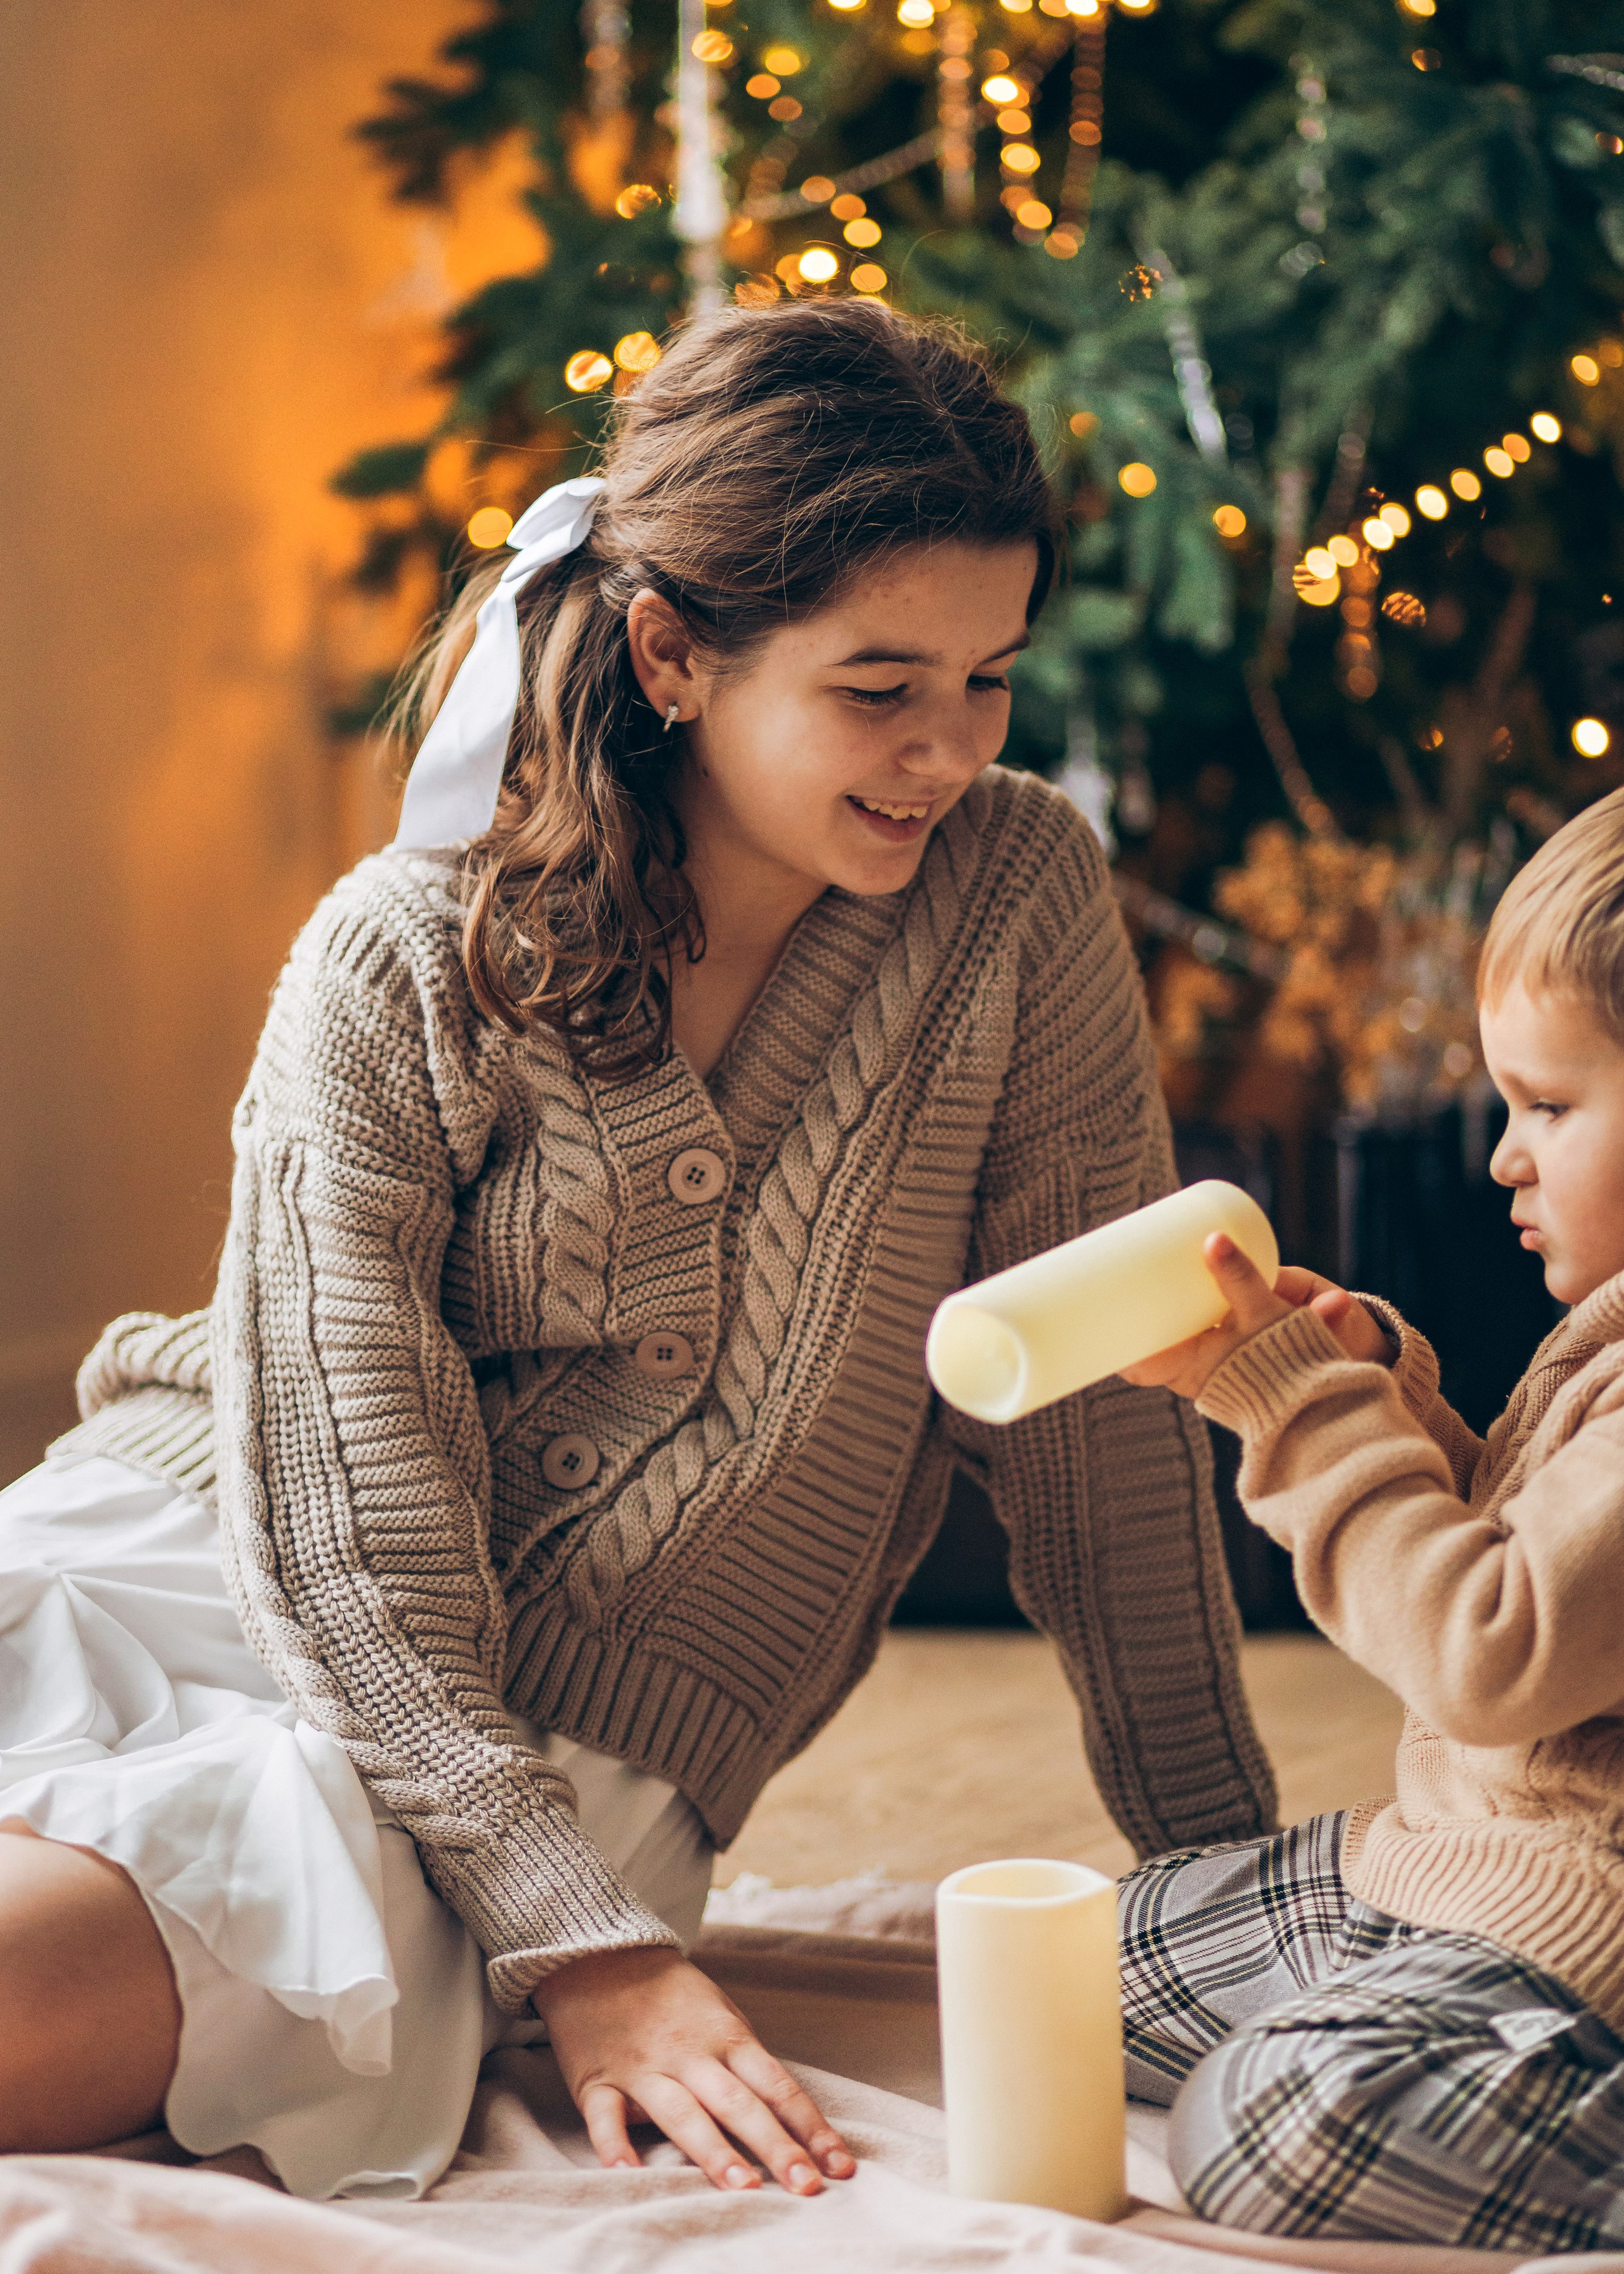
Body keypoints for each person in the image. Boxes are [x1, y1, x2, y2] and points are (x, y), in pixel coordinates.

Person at [0, 299, 1274, 2201]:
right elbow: (349, 1519)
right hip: (189, 1556)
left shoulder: (1016, 897)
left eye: (990, 680)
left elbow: (1095, 1431)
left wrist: (1226, 1889)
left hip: (582, 1728)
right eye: (877, 688)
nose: (946, 750)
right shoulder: (394, 954)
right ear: (675, 653)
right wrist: (584, 1953)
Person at [1119, 784, 1624, 2253]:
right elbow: (1546, 1567)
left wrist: (1294, 1409)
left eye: (1547, 1106)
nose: (1500, 1159)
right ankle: (1395, 2019)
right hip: (1448, 1856)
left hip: (1575, 1922)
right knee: (1068, 1966)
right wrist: (1378, 1394)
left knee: (1276, 2121)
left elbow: (1492, 1655)